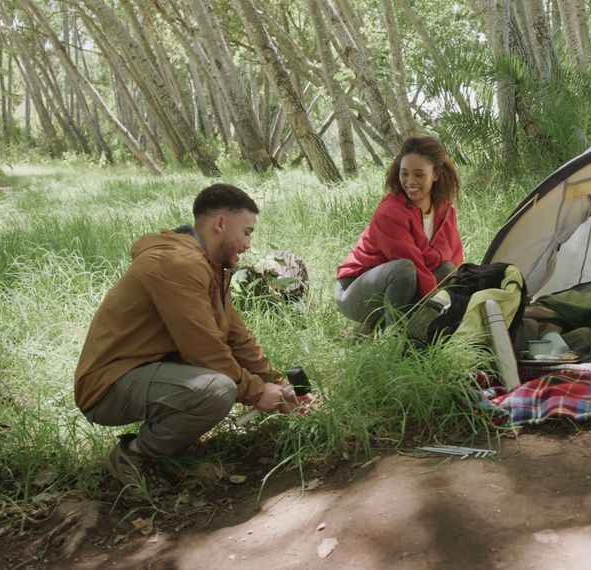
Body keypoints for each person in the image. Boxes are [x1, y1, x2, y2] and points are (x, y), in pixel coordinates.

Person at [75, 183, 301, 494]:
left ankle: (174, 444)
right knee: (218, 389)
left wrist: (280, 385)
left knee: (220, 383)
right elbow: (204, 350)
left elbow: (237, 338)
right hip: (107, 386)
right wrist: (258, 391)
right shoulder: (178, 264)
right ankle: (132, 457)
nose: (248, 244)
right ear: (220, 224)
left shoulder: (210, 267)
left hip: (148, 372)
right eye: (246, 232)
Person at [335, 135, 464, 327]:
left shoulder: (445, 211)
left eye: (419, 174)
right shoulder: (390, 211)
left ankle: (424, 327)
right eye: (404, 173)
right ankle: (393, 337)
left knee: (447, 270)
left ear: (436, 174)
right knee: (404, 268)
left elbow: (452, 258)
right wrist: (433, 303)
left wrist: (460, 299)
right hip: (354, 291)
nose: (410, 181)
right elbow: (413, 263)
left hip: (404, 285)